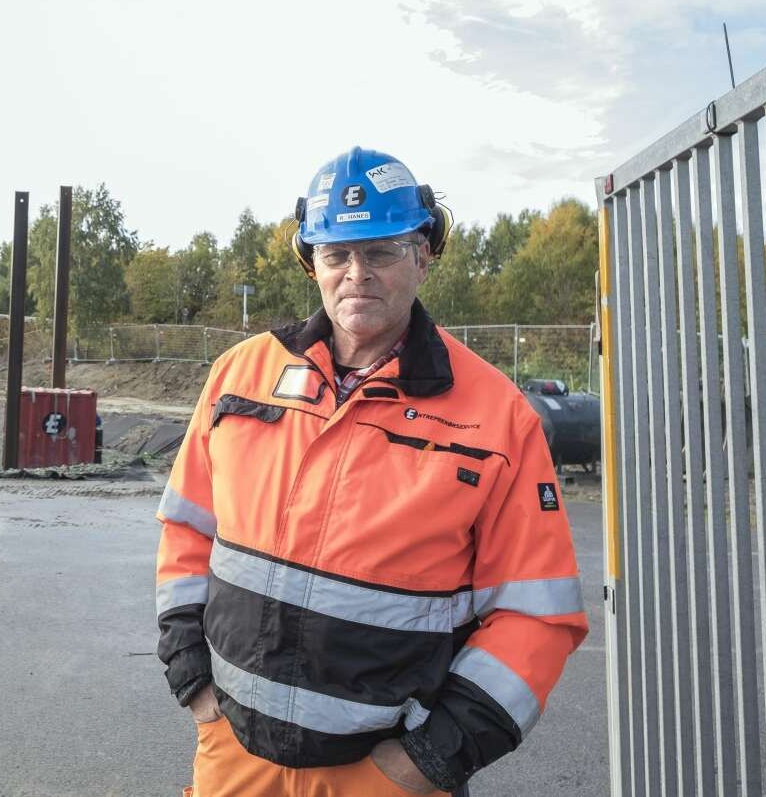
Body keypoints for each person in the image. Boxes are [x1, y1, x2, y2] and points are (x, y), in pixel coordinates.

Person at [156, 148, 587, 796]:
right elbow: (187, 531)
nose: (356, 275)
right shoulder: (240, 375)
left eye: (381, 252)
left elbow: (536, 616)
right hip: (233, 755)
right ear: (311, 262)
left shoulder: (497, 416)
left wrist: (424, 763)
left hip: (386, 776)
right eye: (336, 255)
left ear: (423, 256)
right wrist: (194, 682)